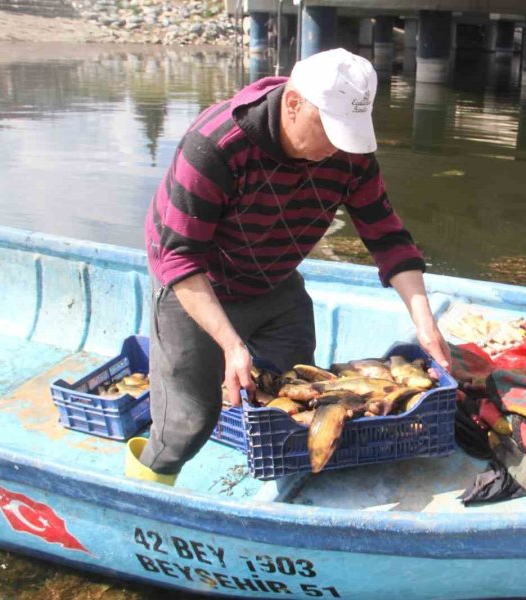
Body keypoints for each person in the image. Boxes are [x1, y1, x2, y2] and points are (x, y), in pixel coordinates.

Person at [124, 48, 451, 485]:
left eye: (348, 133)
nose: (338, 146)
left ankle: (285, 480)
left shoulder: (349, 153)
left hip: (274, 278)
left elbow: (387, 238)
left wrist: (424, 322)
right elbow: (178, 257)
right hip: (198, 284)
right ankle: (147, 494)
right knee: (188, 422)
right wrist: (231, 344)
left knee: (299, 396)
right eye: (330, 130)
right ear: (293, 104)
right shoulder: (216, 146)